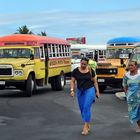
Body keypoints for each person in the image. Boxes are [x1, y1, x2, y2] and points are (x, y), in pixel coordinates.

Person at [70, 57, 100, 135]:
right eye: (82, 63)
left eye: (85, 64)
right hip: (80, 91)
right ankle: (87, 123)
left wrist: (97, 91)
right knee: (82, 108)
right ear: (80, 62)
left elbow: (95, 82)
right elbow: (72, 81)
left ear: (87, 64)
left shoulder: (90, 70)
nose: (83, 65)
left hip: (90, 90)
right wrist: (72, 90)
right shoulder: (75, 71)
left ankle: (85, 127)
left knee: (86, 107)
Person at [122, 60, 140, 133]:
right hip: (131, 98)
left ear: (136, 66)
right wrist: (127, 94)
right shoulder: (126, 75)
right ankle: (139, 127)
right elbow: (124, 85)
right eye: (129, 65)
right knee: (134, 113)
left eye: (132, 65)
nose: (130, 67)